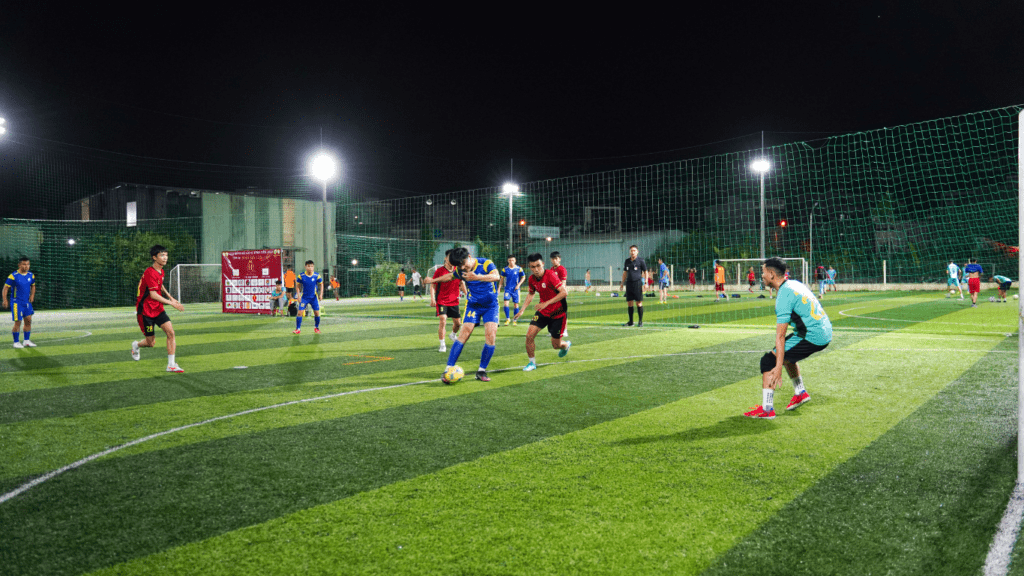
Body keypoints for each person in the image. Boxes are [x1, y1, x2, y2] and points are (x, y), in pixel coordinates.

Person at [744, 257, 832, 419]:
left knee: (768, 361)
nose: (761, 276)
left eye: (763, 272)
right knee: (786, 355)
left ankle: (767, 409)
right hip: (822, 330)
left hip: (813, 335)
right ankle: (800, 392)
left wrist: (777, 367)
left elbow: (780, 336)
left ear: (771, 274)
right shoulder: (794, 283)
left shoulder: (784, 296)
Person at [425, 247, 500, 382]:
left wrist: (478, 277)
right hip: (473, 306)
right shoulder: (460, 270)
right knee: (463, 334)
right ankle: (448, 369)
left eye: (464, 264)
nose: (464, 268)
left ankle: (481, 371)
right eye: (460, 266)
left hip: (491, 306)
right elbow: (449, 276)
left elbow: (496, 276)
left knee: (491, 336)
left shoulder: (486, 263)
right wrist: (433, 280)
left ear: (470, 256)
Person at [131, 245, 185, 372]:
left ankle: (171, 365)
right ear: (154, 257)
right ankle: (136, 345)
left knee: (171, 333)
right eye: (162, 255)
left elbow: (159, 286)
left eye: (166, 255)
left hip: (158, 309)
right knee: (151, 343)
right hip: (145, 312)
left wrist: (171, 297)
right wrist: (172, 304)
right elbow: (153, 295)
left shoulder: (161, 271)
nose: (165, 258)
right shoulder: (149, 272)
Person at [516, 253, 570, 371]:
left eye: (538, 266)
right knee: (529, 336)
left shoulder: (550, 275)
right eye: (532, 267)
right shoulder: (531, 279)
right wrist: (522, 309)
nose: (536, 269)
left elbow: (564, 292)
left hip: (558, 314)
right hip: (542, 313)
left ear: (543, 264)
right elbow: (531, 293)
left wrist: (546, 303)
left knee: (556, 345)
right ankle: (532, 363)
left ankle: (565, 345)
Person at [430, 251, 464, 352]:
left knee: (458, 323)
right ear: (445, 259)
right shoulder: (439, 271)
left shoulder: (458, 270)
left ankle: (453, 335)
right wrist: (432, 299)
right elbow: (432, 285)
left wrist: (467, 294)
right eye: (449, 257)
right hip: (442, 300)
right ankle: (442, 344)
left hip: (454, 301)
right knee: (443, 320)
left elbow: (461, 283)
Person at [3, 257, 37, 348]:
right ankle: (16, 342)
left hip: (27, 302)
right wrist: (5, 300)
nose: (26, 266)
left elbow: (33, 286)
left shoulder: (31, 275)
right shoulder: (13, 276)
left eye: (28, 264)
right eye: (24, 264)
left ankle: (26, 341)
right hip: (16, 302)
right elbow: (5, 288)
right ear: (19, 265)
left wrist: (32, 295)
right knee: (18, 322)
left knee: (28, 320)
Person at [619, 245, 647, 327]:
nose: (632, 252)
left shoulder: (641, 261)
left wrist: (646, 283)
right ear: (630, 252)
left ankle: (640, 322)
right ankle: (631, 322)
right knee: (629, 303)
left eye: (634, 250)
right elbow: (625, 273)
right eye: (631, 250)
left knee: (638, 303)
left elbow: (646, 272)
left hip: (637, 283)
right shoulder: (627, 261)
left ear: (637, 251)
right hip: (629, 283)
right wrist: (622, 283)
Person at [293, 260, 324, 334]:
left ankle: (316, 328)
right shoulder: (301, 276)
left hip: (313, 298)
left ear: (313, 267)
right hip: (304, 298)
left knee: (316, 313)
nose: (310, 268)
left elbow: (321, 284)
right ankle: (298, 329)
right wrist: (298, 295)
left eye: (312, 266)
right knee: (300, 312)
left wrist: (321, 294)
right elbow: (297, 286)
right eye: (309, 266)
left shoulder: (317, 275)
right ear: (305, 267)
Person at [499, 256, 525, 326]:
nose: (511, 261)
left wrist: (519, 285)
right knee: (505, 304)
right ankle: (508, 319)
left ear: (515, 260)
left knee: (516, 305)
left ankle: (515, 320)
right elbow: (501, 279)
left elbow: (523, 277)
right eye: (510, 260)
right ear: (508, 261)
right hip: (507, 289)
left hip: (515, 289)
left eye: (512, 260)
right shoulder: (505, 269)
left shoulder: (519, 269)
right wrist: (499, 288)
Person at [550, 251, 569, 337]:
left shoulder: (562, 269)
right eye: (553, 259)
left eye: (556, 259)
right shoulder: (551, 270)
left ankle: (564, 330)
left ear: (559, 259)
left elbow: (563, 283)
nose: (554, 260)